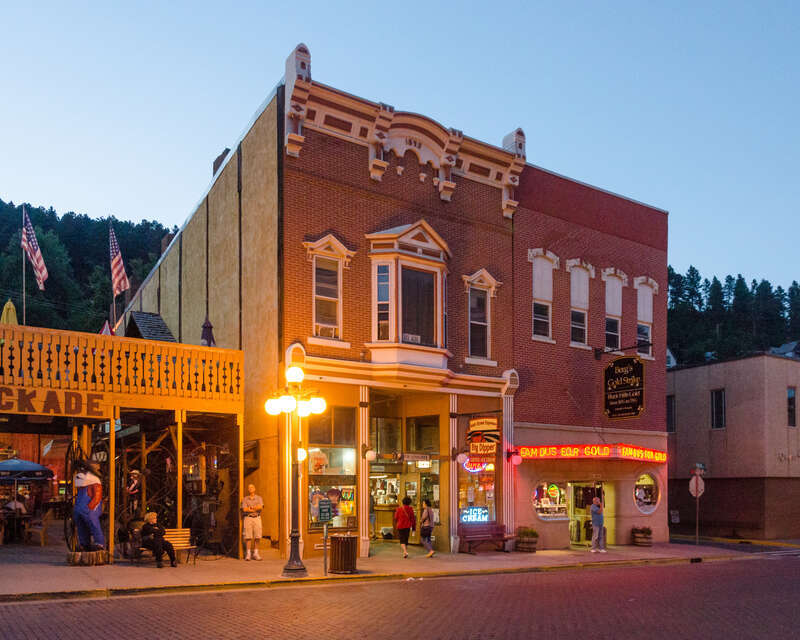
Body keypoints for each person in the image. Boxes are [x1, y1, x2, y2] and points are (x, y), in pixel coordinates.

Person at [73, 461, 105, 551]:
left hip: (88, 507)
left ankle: (99, 543)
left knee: (93, 524)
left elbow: (97, 496)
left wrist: (90, 507)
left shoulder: (93, 480)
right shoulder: (82, 480)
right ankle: (84, 543)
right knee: (81, 525)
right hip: (81, 506)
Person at [241, 483, 263, 561]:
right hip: (248, 518)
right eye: (249, 487)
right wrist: (254, 508)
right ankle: (248, 553)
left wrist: (250, 508)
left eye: (252, 487)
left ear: (255, 488)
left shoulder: (259, 498)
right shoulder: (245, 499)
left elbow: (260, 507)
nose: (251, 488)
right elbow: (244, 509)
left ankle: (256, 553)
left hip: (257, 517)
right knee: (248, 536)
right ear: (248, 489)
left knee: (257, 536)